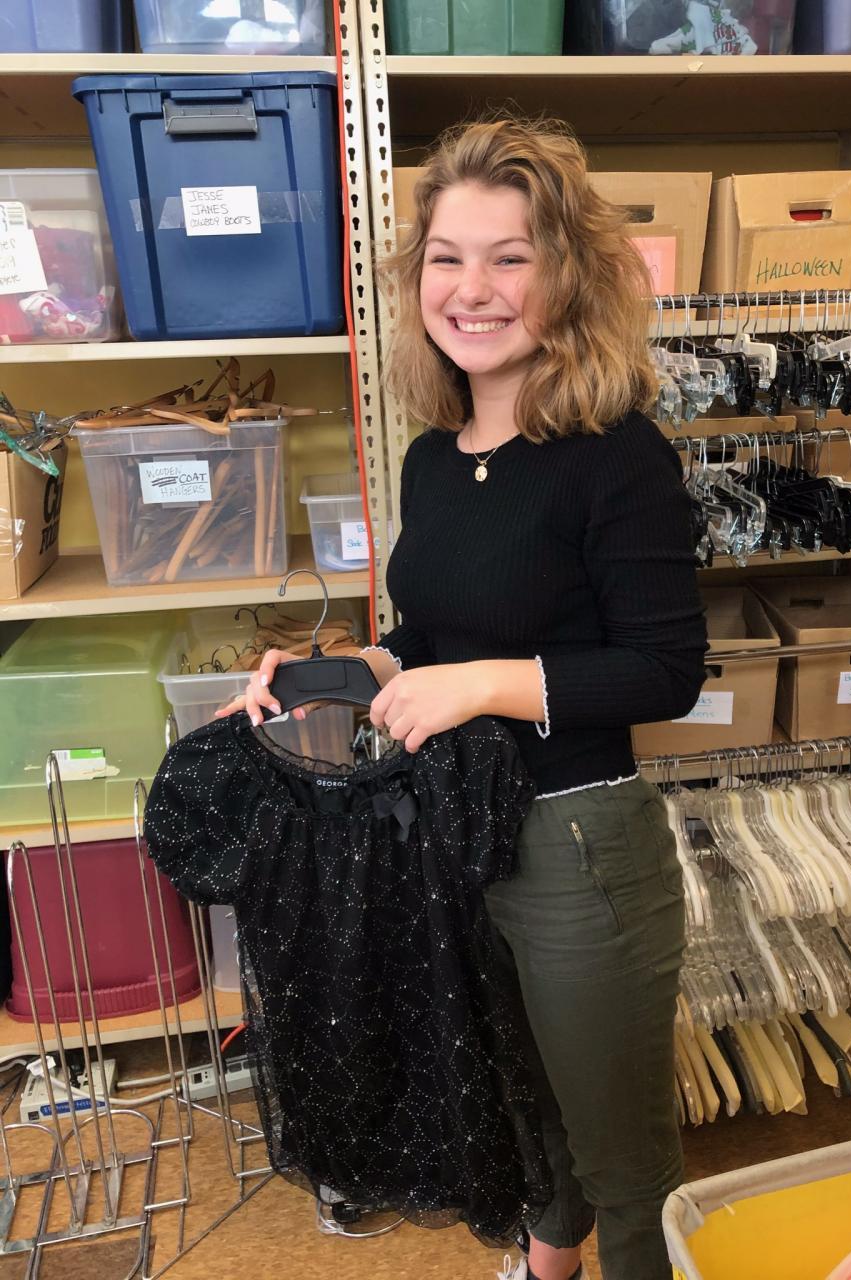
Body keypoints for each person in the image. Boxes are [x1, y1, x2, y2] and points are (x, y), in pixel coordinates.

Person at [220, 117, 707, 1280]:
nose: (472, 288)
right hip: (459, 831)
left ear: (568, 274)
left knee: (625, 1157)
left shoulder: (615, 453)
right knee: (523, 1094)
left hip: (579, 845)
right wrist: (325, 673)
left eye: (510, 257)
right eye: (447, 256)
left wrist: (481, 684)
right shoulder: (435, 456)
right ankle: (546, 1263)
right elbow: (429, 639)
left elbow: (665, 669)